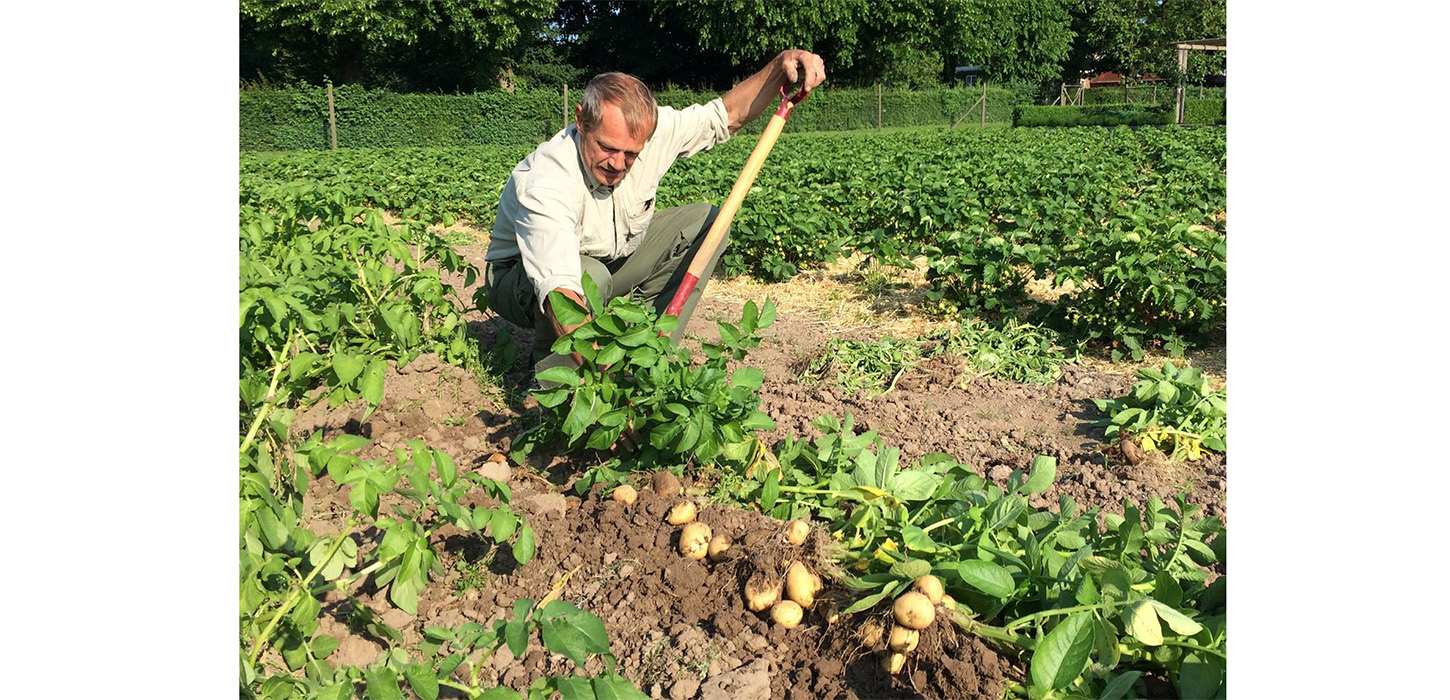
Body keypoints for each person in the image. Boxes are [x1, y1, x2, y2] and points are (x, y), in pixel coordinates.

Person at [478, 49, 827, 382]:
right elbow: (560, 295)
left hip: (608, 258)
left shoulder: (654, 132)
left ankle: (646, 357)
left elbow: (728, 115)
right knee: (587, 278)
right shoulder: (549, 180)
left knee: (707, 224)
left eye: (631, 153)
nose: (618, 164)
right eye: (607, 148)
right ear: (581, 121)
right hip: (521, 278)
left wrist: (779, 67)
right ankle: (559, 386)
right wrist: (606, 382)